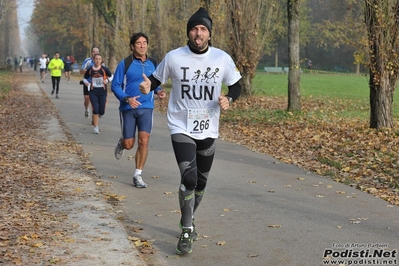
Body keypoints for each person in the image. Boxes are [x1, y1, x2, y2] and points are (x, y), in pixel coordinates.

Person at [139, 7, 241, 255]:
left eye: (203, 29)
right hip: (180, 126)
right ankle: (186, 229)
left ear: (209, 34)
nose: (198, 33)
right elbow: (155, 79)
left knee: (202, 183)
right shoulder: (175, 57)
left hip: (208, 127)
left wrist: (229, 98)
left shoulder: (221, 58)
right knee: (190, 179)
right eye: (194, 28)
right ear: (189, 33)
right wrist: (146, 87)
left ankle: (189, 217)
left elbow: (236, 86)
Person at [111, 32, 166, 188]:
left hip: (146, 108)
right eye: (138, 43)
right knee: (129, 144)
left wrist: (159, 91)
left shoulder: (154, 63)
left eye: (144, 43)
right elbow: (115, 85)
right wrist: (127, 98)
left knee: (144, 140)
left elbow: (155, 83)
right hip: (128, 107)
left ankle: (138, 175)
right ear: (132, 46)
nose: (142, 46)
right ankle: (122, 143)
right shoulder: (125, 63)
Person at [82, 54, 113, 134]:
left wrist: (107, 80)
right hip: (93, 92)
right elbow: (84, 78)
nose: (97, 60)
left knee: (101, 111)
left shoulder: (104, 69)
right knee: (95, 109)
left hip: (102, 92)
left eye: (99, 59)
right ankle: (96, 127)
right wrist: (86, 83)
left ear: (101, 60)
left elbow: (112, 76)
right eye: (96, 59)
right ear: (93, 60)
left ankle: (100, 113)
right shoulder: (90, 69)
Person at [81, 47, 100, 119]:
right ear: (91, 53)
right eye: (93, 52)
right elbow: (81, 71)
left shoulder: (101, 61)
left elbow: (105, 72)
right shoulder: (87, 61)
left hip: (97, 84)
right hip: (87, 83)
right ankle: (86, 109)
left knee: (94, 101)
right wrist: (91, 71)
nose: (95, 53)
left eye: (97, 51)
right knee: (87, 99)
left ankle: (94, 118)